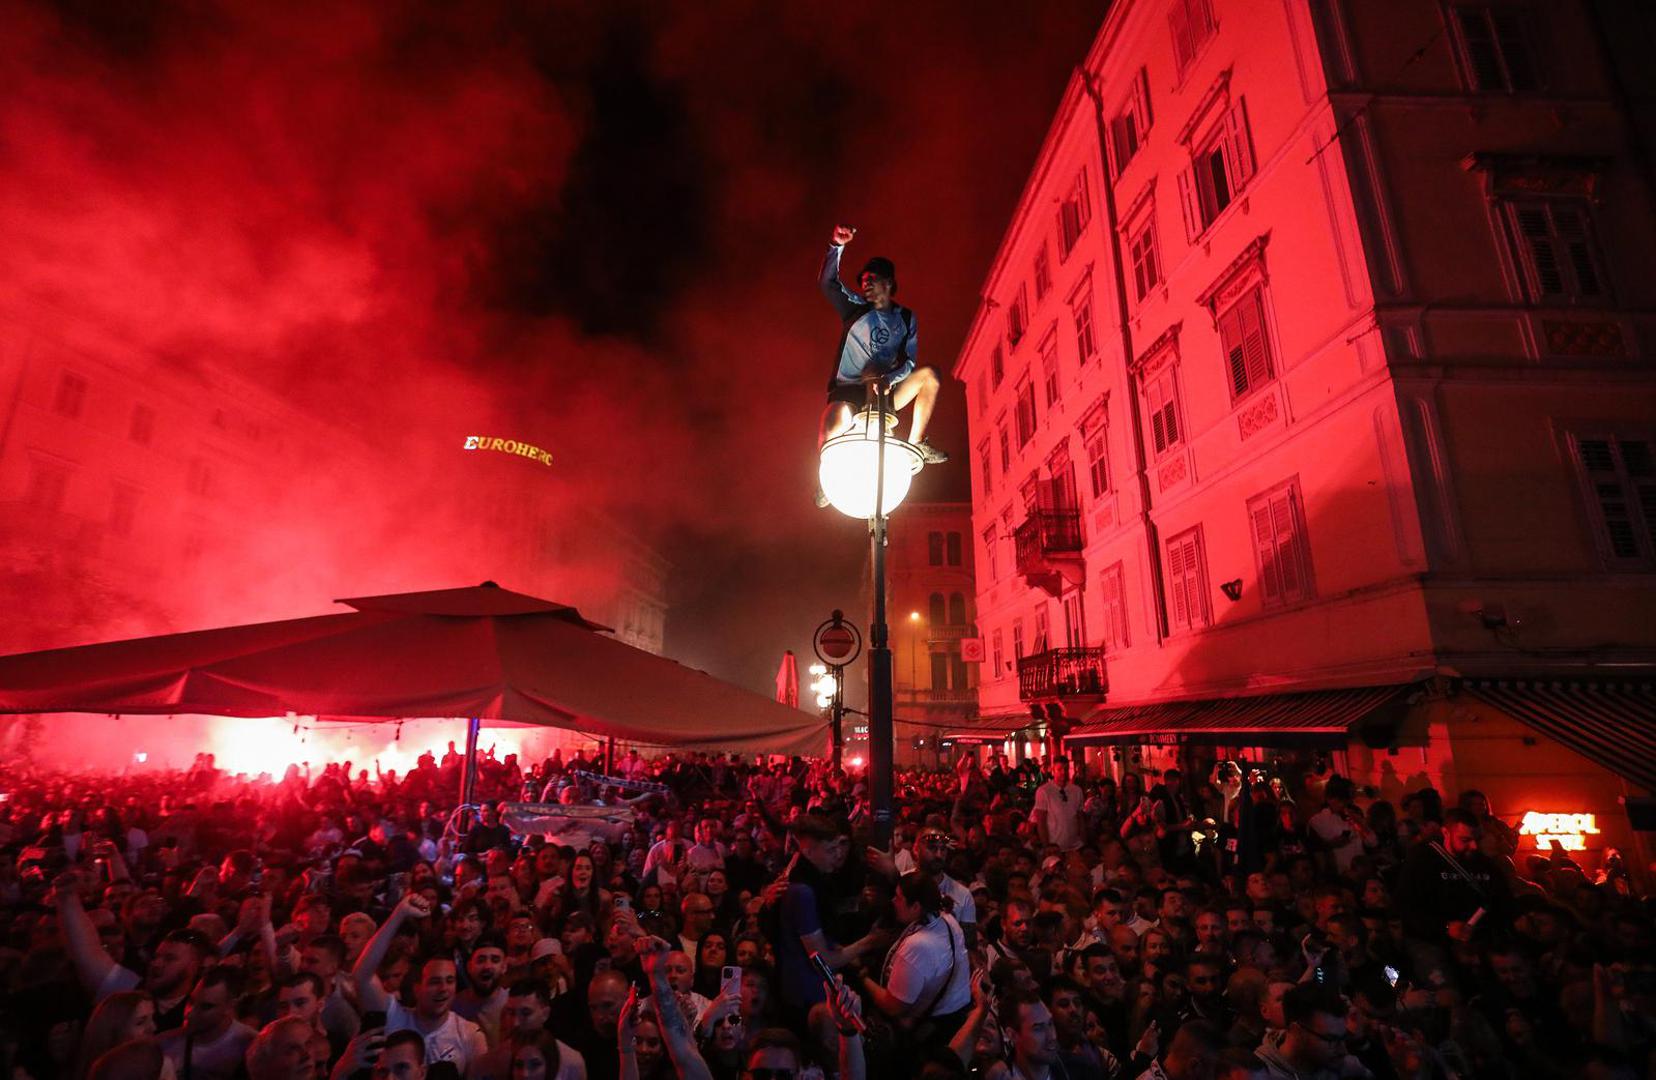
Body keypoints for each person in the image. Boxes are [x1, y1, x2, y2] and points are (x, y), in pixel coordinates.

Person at [816, 223, 948, 471]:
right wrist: (836, 246)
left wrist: (888, 379)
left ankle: (917, 443)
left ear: (888, 283)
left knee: (930, 375)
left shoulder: (906, 318)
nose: (864, 284)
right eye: (862, 280)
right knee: (835, 421)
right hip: (850, 388)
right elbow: (827, 283)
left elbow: (909, 361)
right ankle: (827, 472)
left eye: (871, 280)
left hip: (883, 390)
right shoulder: (854, 308)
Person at [353, 895, 490, 1073]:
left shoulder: (469, 1034)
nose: (443, 989)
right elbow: (361, 975)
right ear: (416, 988)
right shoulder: (396, 1017)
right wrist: (399, 915)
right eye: (434, 981)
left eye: (450, 981)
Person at [1034, 759, 1085, 853]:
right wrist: (1046, 846)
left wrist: (1082, 839)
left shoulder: (1077, 790)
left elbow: (1080, 817)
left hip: (1076, 845)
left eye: (1066, 769)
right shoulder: (1044, 791)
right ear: (1053, 771)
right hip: (1055, 846)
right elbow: (1041, 821)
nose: (1063, 772)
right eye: (1060, 769)